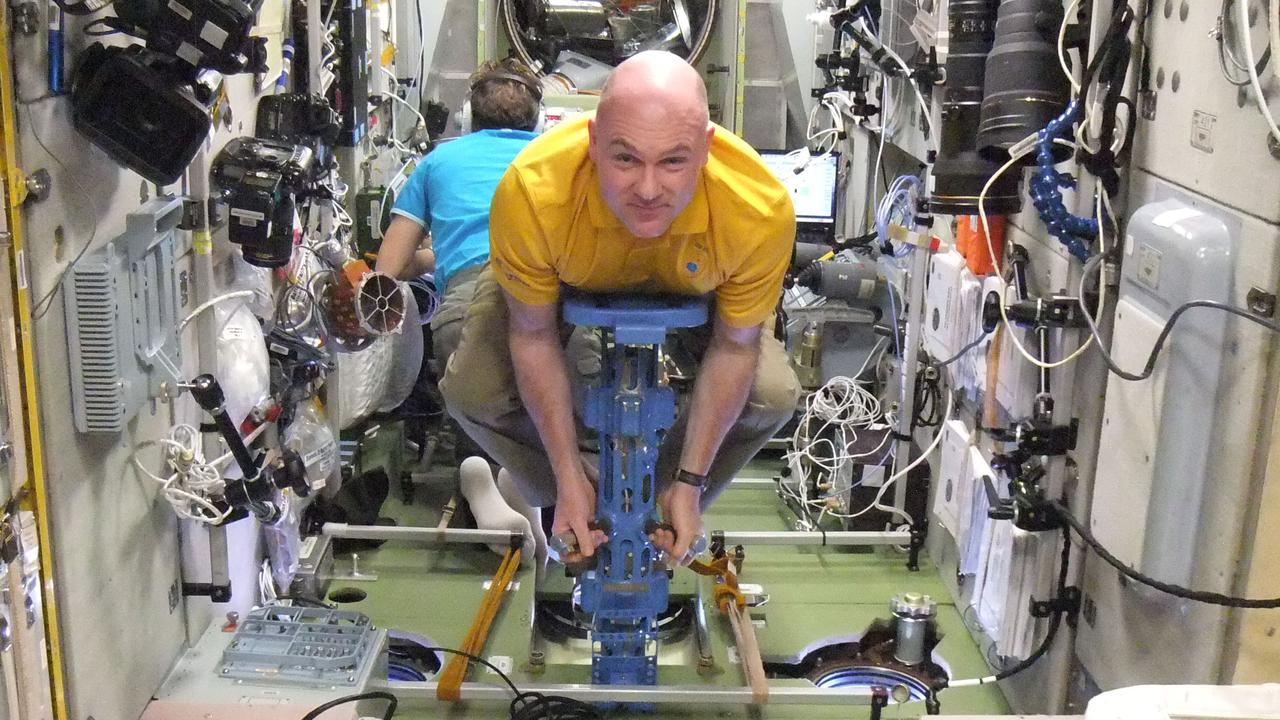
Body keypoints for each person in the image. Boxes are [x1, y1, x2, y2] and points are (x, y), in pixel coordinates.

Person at [440, 51, 800, 566]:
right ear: (592, 143)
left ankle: (661, 501)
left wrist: (690, 482)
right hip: (562, 277)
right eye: (625, 158)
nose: (648, 189)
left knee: (771, 396)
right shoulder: (532, 191)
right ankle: (570, 490)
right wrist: (566, 475)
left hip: (702, 285)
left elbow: (736, 343)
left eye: (673, 161)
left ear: (706, 150)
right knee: (472, 389)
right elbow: (532, 335)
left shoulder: (758, 210)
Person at [375, 58, 542, 364]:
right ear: (539, 121)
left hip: (467, 313)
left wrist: (445, 254)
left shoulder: (437, 162)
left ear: (467, 118)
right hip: (547, 308)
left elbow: (387, 270)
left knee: (471, 409)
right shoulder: (558, 159)